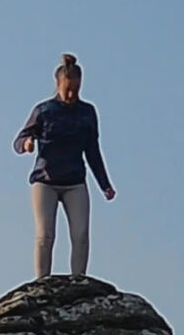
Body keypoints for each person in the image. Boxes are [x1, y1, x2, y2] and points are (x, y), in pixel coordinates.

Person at [14, 53, 115, 278]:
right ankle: (41, 282)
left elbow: (93, 152)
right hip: (45, 181)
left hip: (75, 182)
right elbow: (18, 140)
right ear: (58, 85)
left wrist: (105, 184)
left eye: (75, 90)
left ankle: (78, 279)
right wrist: (28, 143)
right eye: (67, 89)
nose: (71, 95)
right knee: (45, 235)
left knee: (80, 234)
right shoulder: (44, 111)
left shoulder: (87, 112)